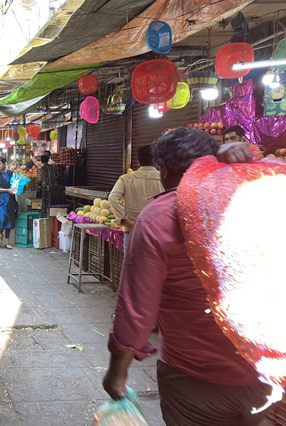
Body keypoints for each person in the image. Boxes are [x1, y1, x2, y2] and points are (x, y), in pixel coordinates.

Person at [102, 128, 271, 426]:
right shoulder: (260, 196)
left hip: (194, 379)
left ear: (164, 170)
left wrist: (117, 373)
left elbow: (136, 309)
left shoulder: (158, 217)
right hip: (268, 376)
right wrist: (250, 161)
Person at [108, 144, 164, 252]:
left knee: (131, 265)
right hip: (156, 232)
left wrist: (123, 220)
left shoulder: (126, 178)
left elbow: (113, 198)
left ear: (138, 162)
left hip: (132, 230)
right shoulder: (164, 178)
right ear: (156, 162)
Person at [0, 158, 17, 249]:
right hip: (0, 200)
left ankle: (7, 241)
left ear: (4, 164)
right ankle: (1, 234)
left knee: (9, 219)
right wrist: (6, 190)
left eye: (0, 164)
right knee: (1, 217)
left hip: (10, 200)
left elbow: (15, 185)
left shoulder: (10, 173)